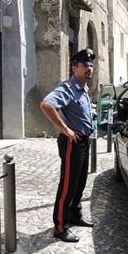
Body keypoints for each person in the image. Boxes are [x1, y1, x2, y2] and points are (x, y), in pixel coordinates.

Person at [40, 48, 96, 243]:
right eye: (85, 65)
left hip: (84, 141)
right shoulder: (68, 87)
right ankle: (60, 226)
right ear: (74, 68)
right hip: (73, 142)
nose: (89, 68)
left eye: (90, 65)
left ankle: (74, 214)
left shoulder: (83, 87)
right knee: (67, 185)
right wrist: (65, 128)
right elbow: (47, 105)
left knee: (80, 183)